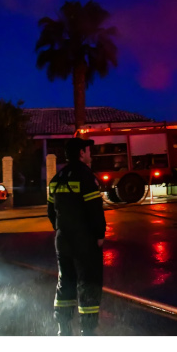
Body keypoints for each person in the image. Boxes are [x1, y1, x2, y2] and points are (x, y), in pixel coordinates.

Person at [48, 137, 106, 336]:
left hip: (63, 239)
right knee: (88, 282)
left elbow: (51, 212)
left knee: (66, 281)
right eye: (88, 150)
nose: (90, 154)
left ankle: (63, 328)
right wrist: (99, 234)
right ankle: (87, 331)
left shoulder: (57, 178)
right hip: (85, 240)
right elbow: (95, 209)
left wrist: (61, 229)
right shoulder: (86, 176)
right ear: (81, 153)